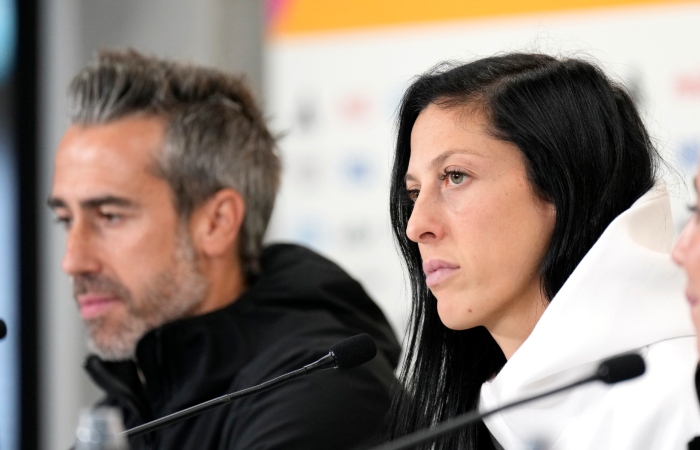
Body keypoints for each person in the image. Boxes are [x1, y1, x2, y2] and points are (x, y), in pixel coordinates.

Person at [48, 49, 400, 450]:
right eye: (65, 220)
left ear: (216, 222)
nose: (72, 260)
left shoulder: (323, 388)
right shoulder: (137, 401)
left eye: (110, 216)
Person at [386, 53, 700, 449]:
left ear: (561, 186)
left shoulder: (677, 400)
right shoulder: (486, 409)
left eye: (455, 176)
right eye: (414, 193)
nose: (416, 227)